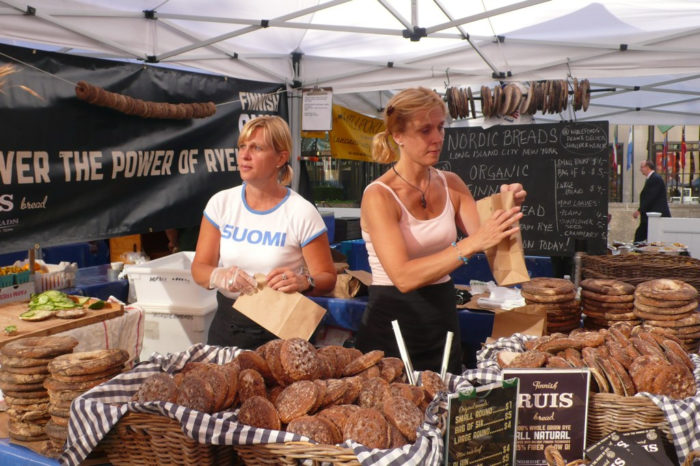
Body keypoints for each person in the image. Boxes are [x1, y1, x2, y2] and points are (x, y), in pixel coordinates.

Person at [355, 87, 526, 374]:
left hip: (442, 316)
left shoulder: (452, 183)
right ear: (398, 135)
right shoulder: (379, 195)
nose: (437, 138)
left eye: (440, 127)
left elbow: (492, 244)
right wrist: (470, 245)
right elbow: (403, 277)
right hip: (393, 320)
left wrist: (506, 207)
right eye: (425, 130)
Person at [191, 115, 337, 349]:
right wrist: (219, 275)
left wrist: (305, 281)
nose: (245, 155)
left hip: (283, 329)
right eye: (242, 147)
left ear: (280, 158)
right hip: (229, 328)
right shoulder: (221, 203)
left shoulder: (301, 211)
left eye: (257, 148)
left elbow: (327, 278)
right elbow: (199, 269)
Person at [633, 160, 671, 243]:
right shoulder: (652, 178)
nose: (640, 169)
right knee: (641, 237)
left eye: (642, 167)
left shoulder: (655, 178)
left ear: (647, 167)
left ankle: (637, 254)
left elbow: (650, 197)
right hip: (650, 216)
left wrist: (639, 210)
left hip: (654, 215)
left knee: (639, 236)